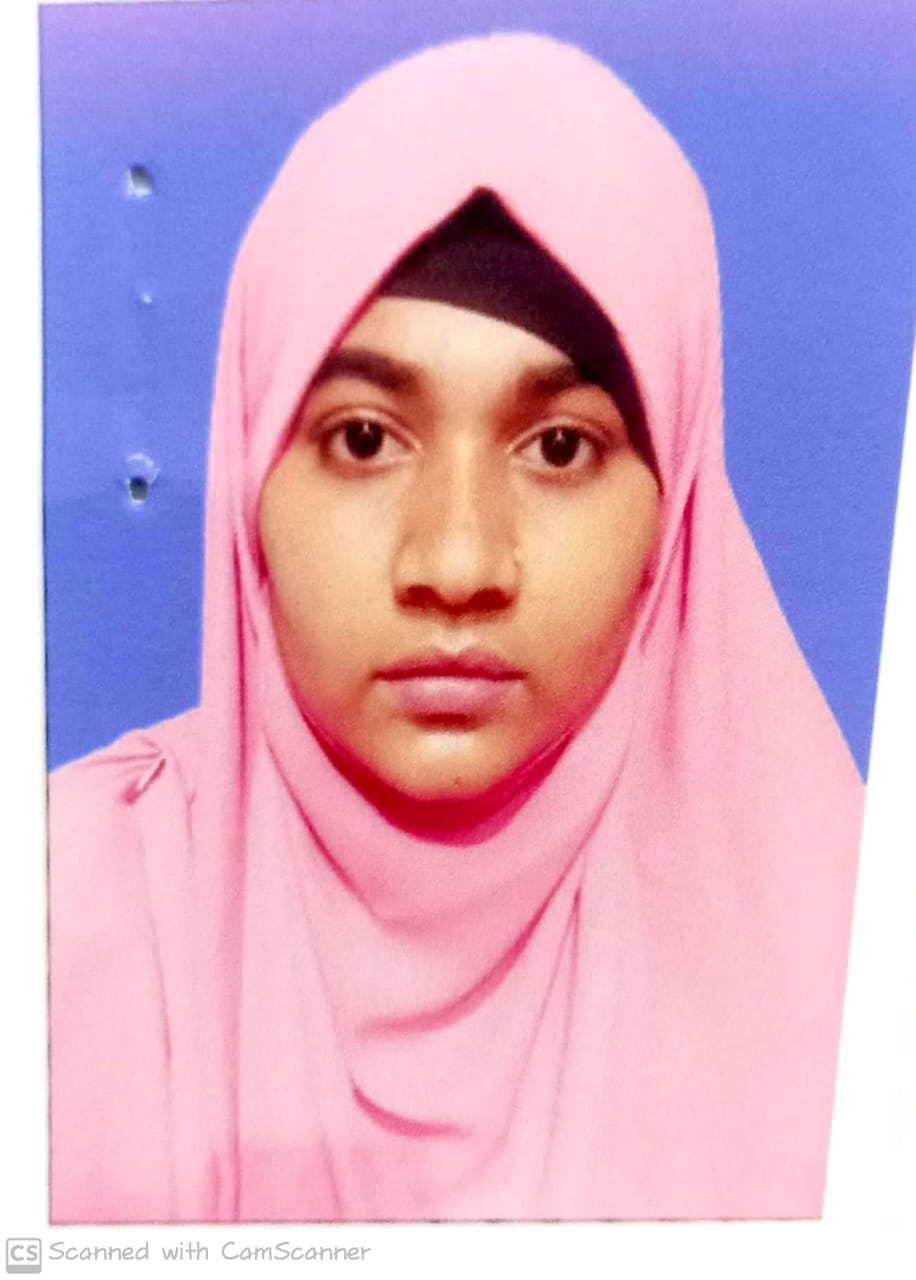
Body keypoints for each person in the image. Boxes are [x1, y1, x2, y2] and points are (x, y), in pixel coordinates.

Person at [49, 33, 864, 1223]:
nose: (457, 562)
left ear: (673, 507)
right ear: (249, 476)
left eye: (560, 447)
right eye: (364, 438)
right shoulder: (61, 922)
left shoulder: (847, 975)